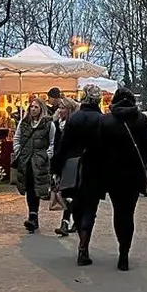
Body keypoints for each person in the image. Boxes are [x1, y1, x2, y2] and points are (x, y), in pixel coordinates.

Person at [95, 87, 147, 271]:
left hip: (113, 174)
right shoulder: (141, 120)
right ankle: (125, 251)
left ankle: (122, 247)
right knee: (129, 211)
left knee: (119, 211)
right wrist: (141, 162)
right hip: (133, 173)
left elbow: (99, 148)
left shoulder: (106, 121)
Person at [49, 85, 104, 265]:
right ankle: (83, 245)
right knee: (91, 207)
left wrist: (56, 168)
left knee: (78, 205)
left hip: (73, 168)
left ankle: (82, 240)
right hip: (95, 168)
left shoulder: (75, 119)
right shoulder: (102, 120)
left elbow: (64, 145)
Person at [12, 96, 56, 233]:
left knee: (37, 188)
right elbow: (17, 137)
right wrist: (18, 150)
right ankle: (32, 215)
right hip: (26, 160)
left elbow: (52, 142)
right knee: (28, 187)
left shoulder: (48, 124)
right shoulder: (24, 123)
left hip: (39, 161)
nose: (33, 109)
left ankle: (33, 216)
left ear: (41, 109)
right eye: (31, 106)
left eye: (36, 107)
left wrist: (46, 156)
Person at [50, 98, 76, 236]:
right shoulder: (56, 124)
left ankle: (65, 222)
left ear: (69, 109)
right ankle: (69, 221)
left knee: (69, 193)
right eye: (59, 107)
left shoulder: (73, 125)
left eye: (63, 108)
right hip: (60, 162)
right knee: (63, 192)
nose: (60, 110)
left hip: (70, 163)